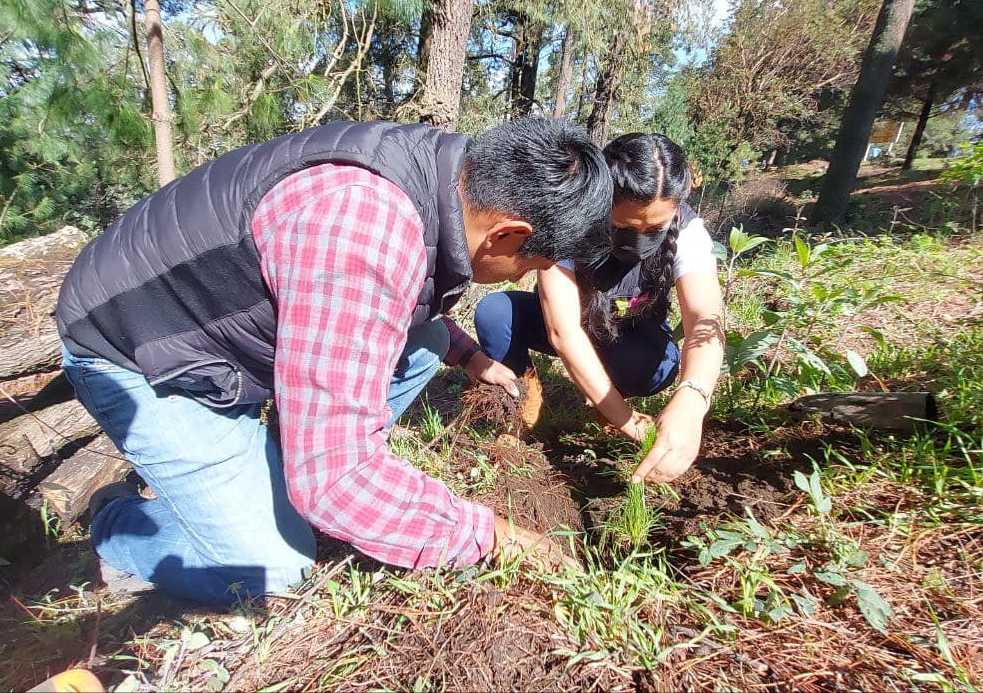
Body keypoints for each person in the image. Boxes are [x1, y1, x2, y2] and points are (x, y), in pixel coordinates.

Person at [55, 118, 611, 603]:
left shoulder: (446, 173)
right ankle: (115, 522)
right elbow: (334, 479)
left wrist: (469, 355)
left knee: (429, 346)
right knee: (274, 569)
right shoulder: (364, 231)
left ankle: (279, 461)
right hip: (141, 347)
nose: (518, 278)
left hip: (216, 330)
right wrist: (494, 537)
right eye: (526, 266)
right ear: (509, 234)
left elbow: (401, 304)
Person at [474, 132, 725, 484]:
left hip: (629, 337)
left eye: (654, 228)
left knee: (650, 367)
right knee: (496, 312)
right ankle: (522, 399)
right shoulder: (573, 220)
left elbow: (705, 318)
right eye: (622, 226)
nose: (639, 239)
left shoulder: (689, 232)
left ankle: (609, 395)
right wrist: (627, 421)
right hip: (577, 325)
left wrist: (694, 397)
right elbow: (563, 332)